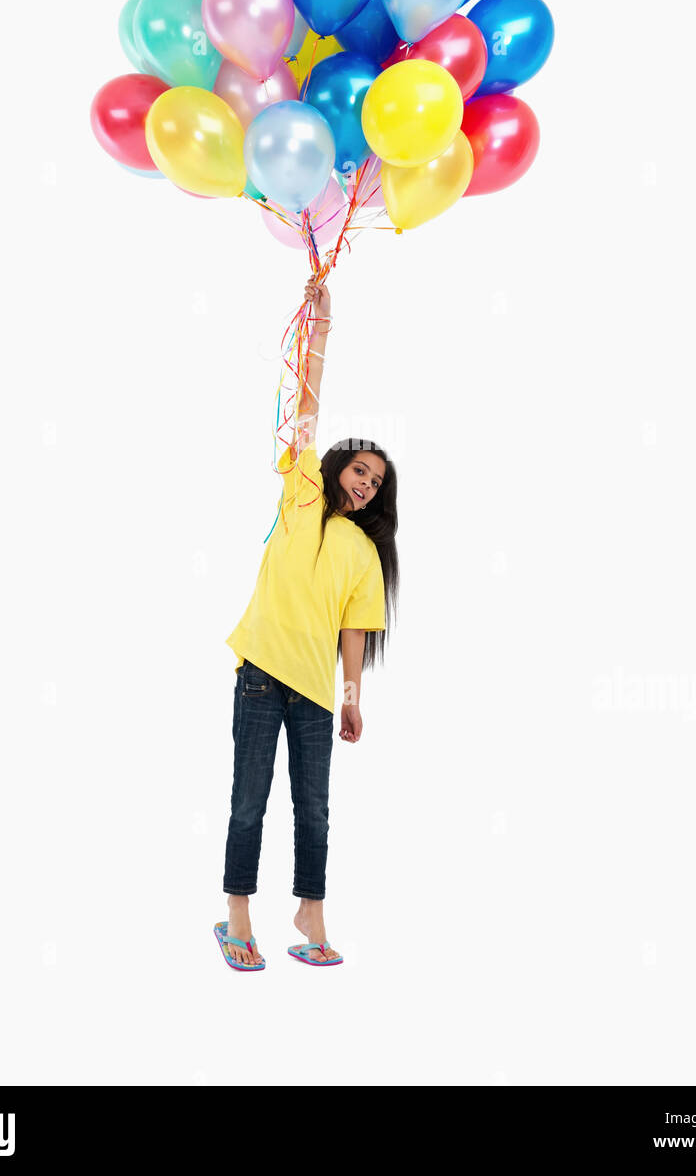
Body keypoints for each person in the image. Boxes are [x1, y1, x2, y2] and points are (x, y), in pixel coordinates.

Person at [215, 275, 399, 970]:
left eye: (376, 481)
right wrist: (319, 332)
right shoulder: (302, 491)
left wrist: (353, 701)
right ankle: (237, 913)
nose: (365, 483)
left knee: (314, 811)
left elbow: (354, 636)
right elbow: (307, 412)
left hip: (318, 696)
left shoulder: (365, 554)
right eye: (360, 470)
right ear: (336, 468)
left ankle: (311, 914)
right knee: (247, 803)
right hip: (262, 675)